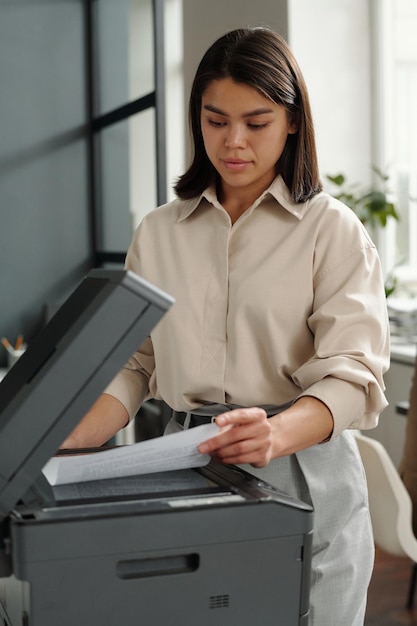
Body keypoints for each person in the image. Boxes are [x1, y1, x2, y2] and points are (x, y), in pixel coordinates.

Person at [62, 27, 390, 625]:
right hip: (186, 469)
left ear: (292, 121)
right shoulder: (159, 231)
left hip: (303, 471)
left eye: (256, 122)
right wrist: (68, 431)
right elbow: (137, 364)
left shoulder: (331, 229)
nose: (233, 141)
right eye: (215, 121)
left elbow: (355, 374)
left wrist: (277, 434)